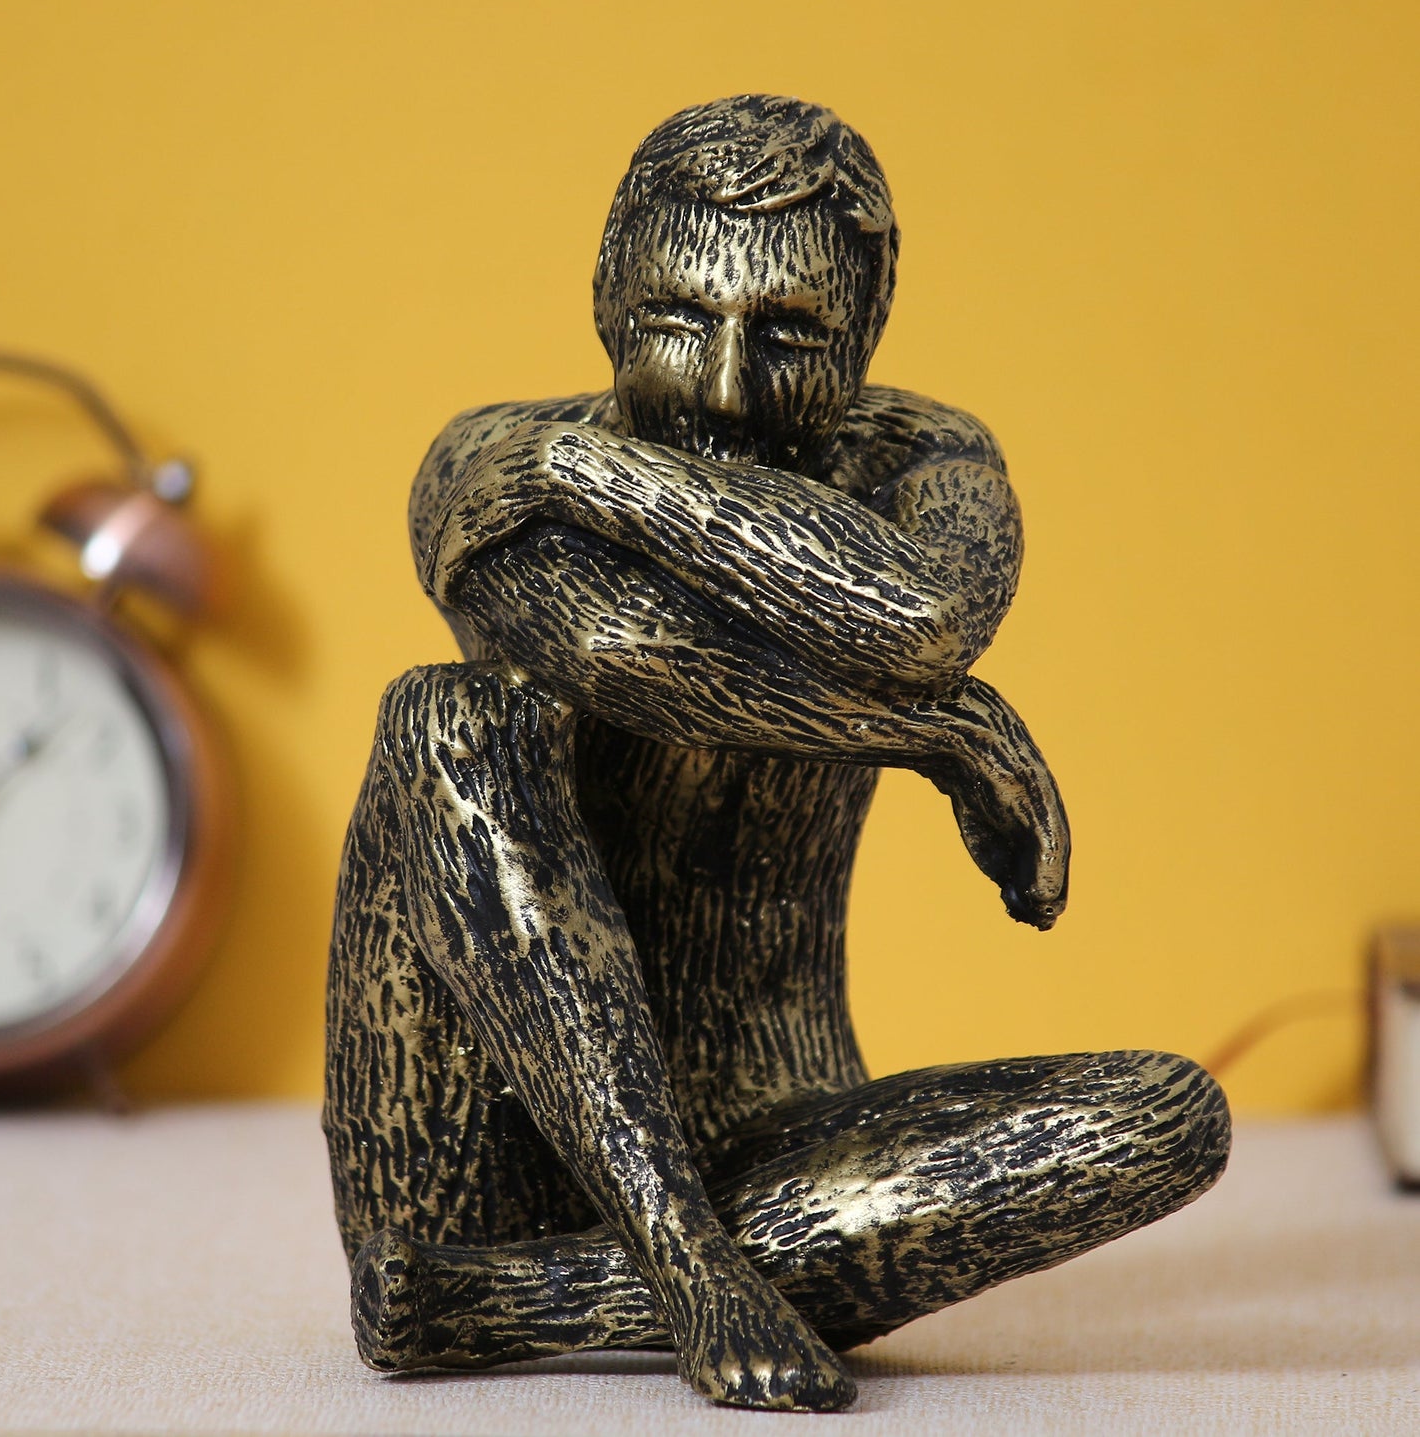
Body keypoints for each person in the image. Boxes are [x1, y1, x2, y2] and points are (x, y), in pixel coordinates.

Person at [324, 94, 1229, 1413]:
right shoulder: (480, 460)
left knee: (1166, 1113)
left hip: (775, 1139)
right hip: (479, 1146)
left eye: (791, 338)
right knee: (448, 716)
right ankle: (683, 1265)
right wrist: (918, 729)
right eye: (678, 323)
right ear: (601, 295)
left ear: (867, 335)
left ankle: (512, 1297)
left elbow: (914, 615)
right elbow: (622, 650)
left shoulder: (924, 459)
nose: (726, 389)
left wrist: (600, 475)